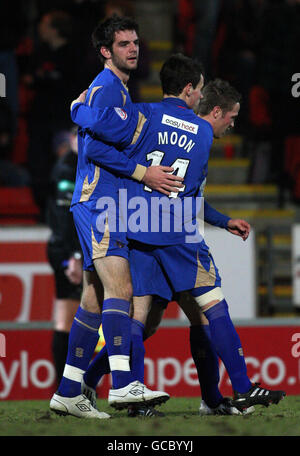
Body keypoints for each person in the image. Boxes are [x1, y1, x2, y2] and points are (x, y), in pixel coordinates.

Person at [71, 56, 286, 414]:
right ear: (190, 91)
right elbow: (190, 194)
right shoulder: (201, 134)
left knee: (140, 320)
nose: (232, 124)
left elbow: (102, 138)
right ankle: (231, 392)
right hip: (176, 233)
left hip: (136, 226)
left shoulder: (142, 114)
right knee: (209, 309)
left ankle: (103, 385)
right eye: (230, 117)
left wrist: (79, 108)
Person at [50, 15, 181, 419]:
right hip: (99, 203)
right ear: (106, 51)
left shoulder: (117, 90)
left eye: (136, 42)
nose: (134, 49)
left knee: (92, 300)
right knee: (121, 292)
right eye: (124, 44)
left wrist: (82, 108)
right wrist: (145, 173)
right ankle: (124, 385)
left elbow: (92, 125)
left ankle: (70, 391)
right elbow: (96, 151)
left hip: (104, 203)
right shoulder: (107, 87)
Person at [46, 127, 83, 386]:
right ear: (71, 139)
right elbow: (64, 218)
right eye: (79, 137)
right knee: (66, 318)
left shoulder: (78, 167)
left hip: (70, 250)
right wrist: (74, 257)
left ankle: (69, 385)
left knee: (75, 317)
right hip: (67, 252)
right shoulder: (65, 170)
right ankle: (64, 386)